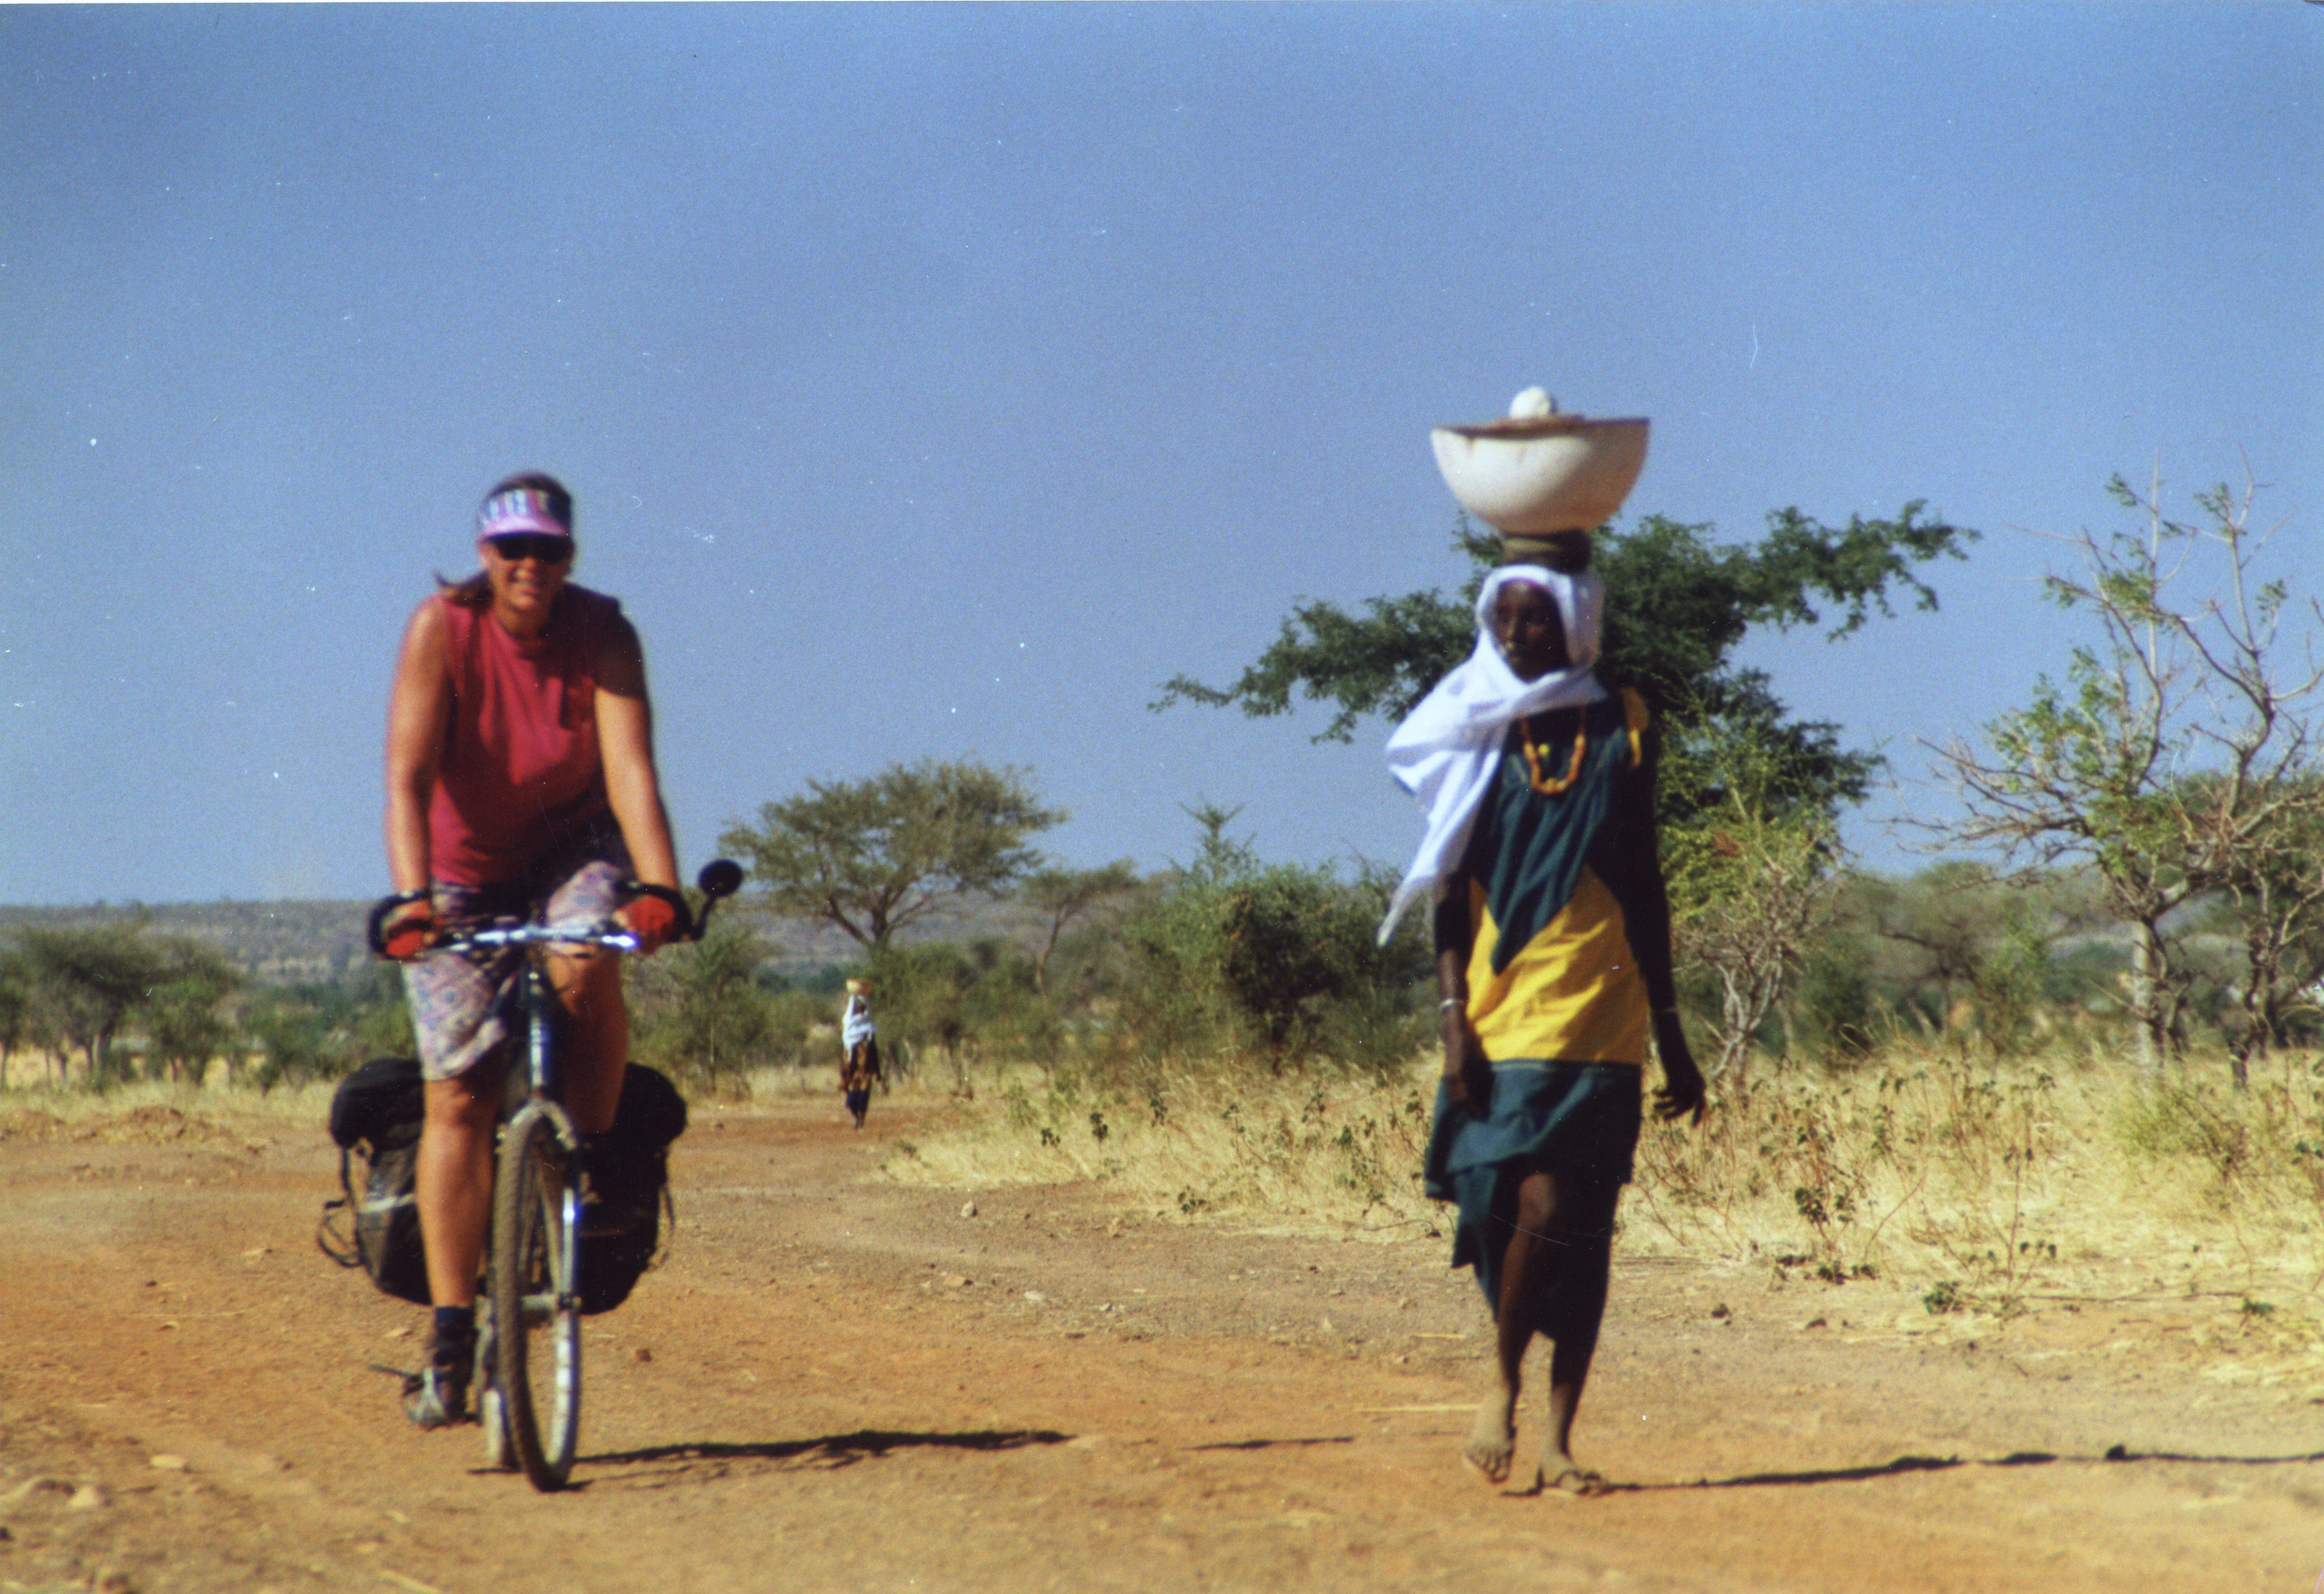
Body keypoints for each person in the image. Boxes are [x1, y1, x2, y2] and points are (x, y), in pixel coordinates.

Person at [1377, 531, 1705, 1496]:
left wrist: (1674, 1038)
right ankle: (1507, 1371)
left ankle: (1538, 1422)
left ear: (1577, 623)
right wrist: (1450, 1025)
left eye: (1537, 617)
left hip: (1603, 1003)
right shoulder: (1470, 726)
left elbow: (1644, 880)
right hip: (1499, 1002)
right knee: (1495, 1205)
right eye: (1503, 617)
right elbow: (1445, 887)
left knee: (1573, 1214)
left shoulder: (1622, 725)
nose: (1517, 633)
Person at [374, 473, 687, 1429]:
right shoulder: (442, 630)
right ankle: (452, 1332)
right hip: (461, 872)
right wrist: (412, 900)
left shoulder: (605, 634)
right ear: (484, 556)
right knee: (457, 1094)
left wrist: (660, 887)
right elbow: (407, 773)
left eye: (547, 551)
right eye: (513, 549)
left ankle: (583, 1158)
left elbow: (632, 770)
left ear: (569, 559)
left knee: (590, 960)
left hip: (571, 849)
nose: (529, 567)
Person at [838, 979, 882, 1129]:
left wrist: (863, 996)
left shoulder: (867, 1021)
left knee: (865, 1089)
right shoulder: (850, 1019)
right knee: (852, 1085)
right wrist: (854, 995)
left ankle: (861, 1118)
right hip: (852, 1051)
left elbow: (868, 1008)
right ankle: (857, 1116)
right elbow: (852, 1005)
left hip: (865, 1051)